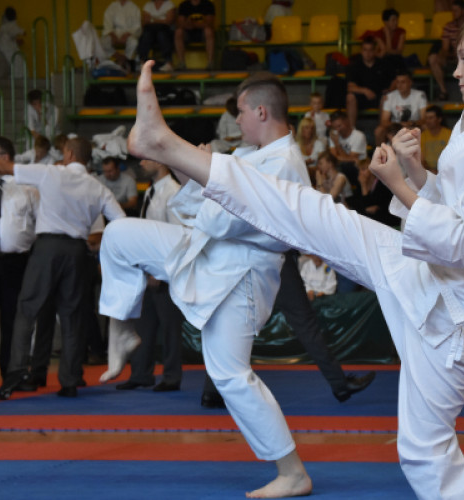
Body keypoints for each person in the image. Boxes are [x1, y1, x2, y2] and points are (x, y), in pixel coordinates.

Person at [123, 8, 464, 497]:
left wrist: (398, 186)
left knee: (424, 449)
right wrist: (416, 172)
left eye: (463, 58)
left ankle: (166, 145)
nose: (453, 70)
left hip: (456, 309)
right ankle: (167, 145)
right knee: (308, 212)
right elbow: (456, 207)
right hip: (429, 272)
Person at [99, 72, 313, 498]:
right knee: (117, 236)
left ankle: (292, 473)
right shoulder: (251, 155)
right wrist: (203, 171)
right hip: (207, 251)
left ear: (261, 111)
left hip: (242, 275)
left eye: (240, 112)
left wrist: (205, 171)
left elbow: (236, 219)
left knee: (230, 374)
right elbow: (206, 209)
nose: (237, 121)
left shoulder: (286, 163)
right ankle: (121, 328)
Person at [0, 137, 125, 399]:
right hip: (78, 251)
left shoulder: (50, 174)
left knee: (27, 309)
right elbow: (121, 221)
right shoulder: (97, 187)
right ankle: (69, 380)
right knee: (72, 316)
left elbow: (6, 168)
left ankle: (15, 374)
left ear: (67, 153)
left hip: (48, 249)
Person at [115, 159, 185, 392]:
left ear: (162, 162)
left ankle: (172, 376)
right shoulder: (151, 192)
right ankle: (141, 373)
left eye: (147, 159)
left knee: (170, 327)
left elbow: (177, 237)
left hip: (165, 273)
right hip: (147, 270)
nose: (142, 163)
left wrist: (161, 272)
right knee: (144, 326)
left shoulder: (173, 192)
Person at [0, 136, 38, 380]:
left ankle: (11, 375)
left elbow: (41, 225)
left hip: (16, 262)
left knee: (13, 320)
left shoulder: (27, 188)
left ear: (5, 157)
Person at [345, 37, 395, 127]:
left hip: (379, 96)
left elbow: (394, 81)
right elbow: (350, 87)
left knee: (386, 98)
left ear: (375, 51)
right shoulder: (354, 66)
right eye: (365, 50)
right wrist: (365, 91)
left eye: (370, 50)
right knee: (350, 97)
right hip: (361, 98)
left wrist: (390, 90)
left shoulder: (383, 64)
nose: (368, 53)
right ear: (361, 51)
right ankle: (352, 132)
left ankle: (382, 130)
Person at [427, 0, 464, 100]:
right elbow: (445, 48)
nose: (453, 13)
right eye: (452, 11)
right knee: (433, 58)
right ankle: (443, 91)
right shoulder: (449, 26)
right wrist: (446, 55)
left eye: (456, 11)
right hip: (453, 58)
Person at [375, 70, 427, 145]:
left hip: (414, 125)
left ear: (410, 82)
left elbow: (424, 119)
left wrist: (412, 123)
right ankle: (381, 154)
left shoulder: (420, 95)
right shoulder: (389, 97)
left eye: (403, 82)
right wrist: (400, 124)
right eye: (397, 82)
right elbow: (384, 121)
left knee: (426, 127)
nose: (399, 85)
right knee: (379, 130)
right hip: (395, 127)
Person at [354, 158, 400, 227]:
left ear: (372, 170)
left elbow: (389, 206)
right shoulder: (360, 184)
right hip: (370, 222)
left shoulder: (383, 184)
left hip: (387, 220)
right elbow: (362, 208)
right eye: (359, 170)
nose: (360, 173)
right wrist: (363, 186)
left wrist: (378, 207)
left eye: (363, 169)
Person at [174, 0, 215, 70]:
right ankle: (181, 63)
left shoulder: (208, 4)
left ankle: (210, 63)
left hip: (202, 33)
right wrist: (188, 24)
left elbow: (209, 23)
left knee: (208, 31)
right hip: (188, 33)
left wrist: (193, 24)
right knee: (178, 32)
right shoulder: (184, 5)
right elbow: (180, 23)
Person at [101, 0, 141, 71]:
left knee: (134, 42)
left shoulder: (134, 8)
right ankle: (120, 58)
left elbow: (137, 26)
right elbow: (107, 24)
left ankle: (124, 61)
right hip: (115, 32)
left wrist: (127, 34)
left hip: (129, 33)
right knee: (103, 42)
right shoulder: (112, 6)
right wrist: (113, 35)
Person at [138, 0, 176, 72]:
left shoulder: (169, 4)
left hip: (165, 30)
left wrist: (153, 20)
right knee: (146, 36)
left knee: (162, 35)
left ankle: (168, 63)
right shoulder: (148, 5)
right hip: (150, 30)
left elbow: (169, 21)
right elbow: (145, 21)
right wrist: (161, 20)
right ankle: (143, 62)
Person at [420, 105, 452, 173]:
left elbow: (452, 158)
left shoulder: (449, 134)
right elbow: (421, 160)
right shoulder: (423, 135)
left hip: (446, 172)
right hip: (428, 173)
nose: (428, 121)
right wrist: (431, 171)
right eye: (426, 118)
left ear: (439, 119)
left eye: (431, 118)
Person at [0, 7, 24, 78]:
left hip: (0, 52)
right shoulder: (10, 26)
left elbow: (8, 40)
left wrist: (17, 41)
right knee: (18, 65)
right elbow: (20, 32)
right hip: (3, 54)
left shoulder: (3, 29)